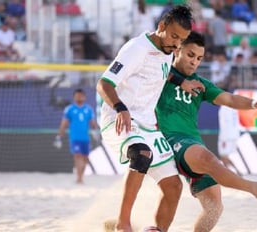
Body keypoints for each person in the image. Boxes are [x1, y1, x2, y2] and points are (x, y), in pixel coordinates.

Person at [156, 31, 257, 232]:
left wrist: (255, 103)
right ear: (177, 50)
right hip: (170, 139)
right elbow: (148, 69)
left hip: (191, 141)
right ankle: (254, 189)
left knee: (214, 206)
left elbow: (229, 99)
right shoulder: (161, 72)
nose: (194, 62)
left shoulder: (201, 85)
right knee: (208, 158)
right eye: (190, 55)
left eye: (199, 58)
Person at [96, 5, 204, 232]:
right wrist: (120, 107)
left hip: (147, 126)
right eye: (174, 36)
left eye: (181, 40)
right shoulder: (137, 48)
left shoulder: (167, 51)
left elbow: (163, 71)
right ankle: (122, 225)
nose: (176, 45)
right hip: (119, 119)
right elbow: (103, 83)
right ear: (161, 26)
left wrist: (180, 81)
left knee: (174, 187)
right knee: (142, 155)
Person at [54, 89, 99, 184]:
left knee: (85, 158)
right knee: (77, 156)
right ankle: (79, 178)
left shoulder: (88, 109)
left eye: (81, 95)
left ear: (84, 97)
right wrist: (59, 136)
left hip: (85, 138)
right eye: (77, 95)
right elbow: (64, 124)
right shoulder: (69, 109)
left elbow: (93, 123)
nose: (79, 97)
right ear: (74, 97)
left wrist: (96, 132)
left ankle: (81, 176)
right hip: (74, 138)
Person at [217, 105, 242, 176]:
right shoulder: (234, 108)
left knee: (223, 156)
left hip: (226, 136)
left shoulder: (224, 108)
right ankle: (234, 172)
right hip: (234, 134)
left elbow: (224, 123)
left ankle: (231, 173)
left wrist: (224, 139)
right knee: (224, 156)